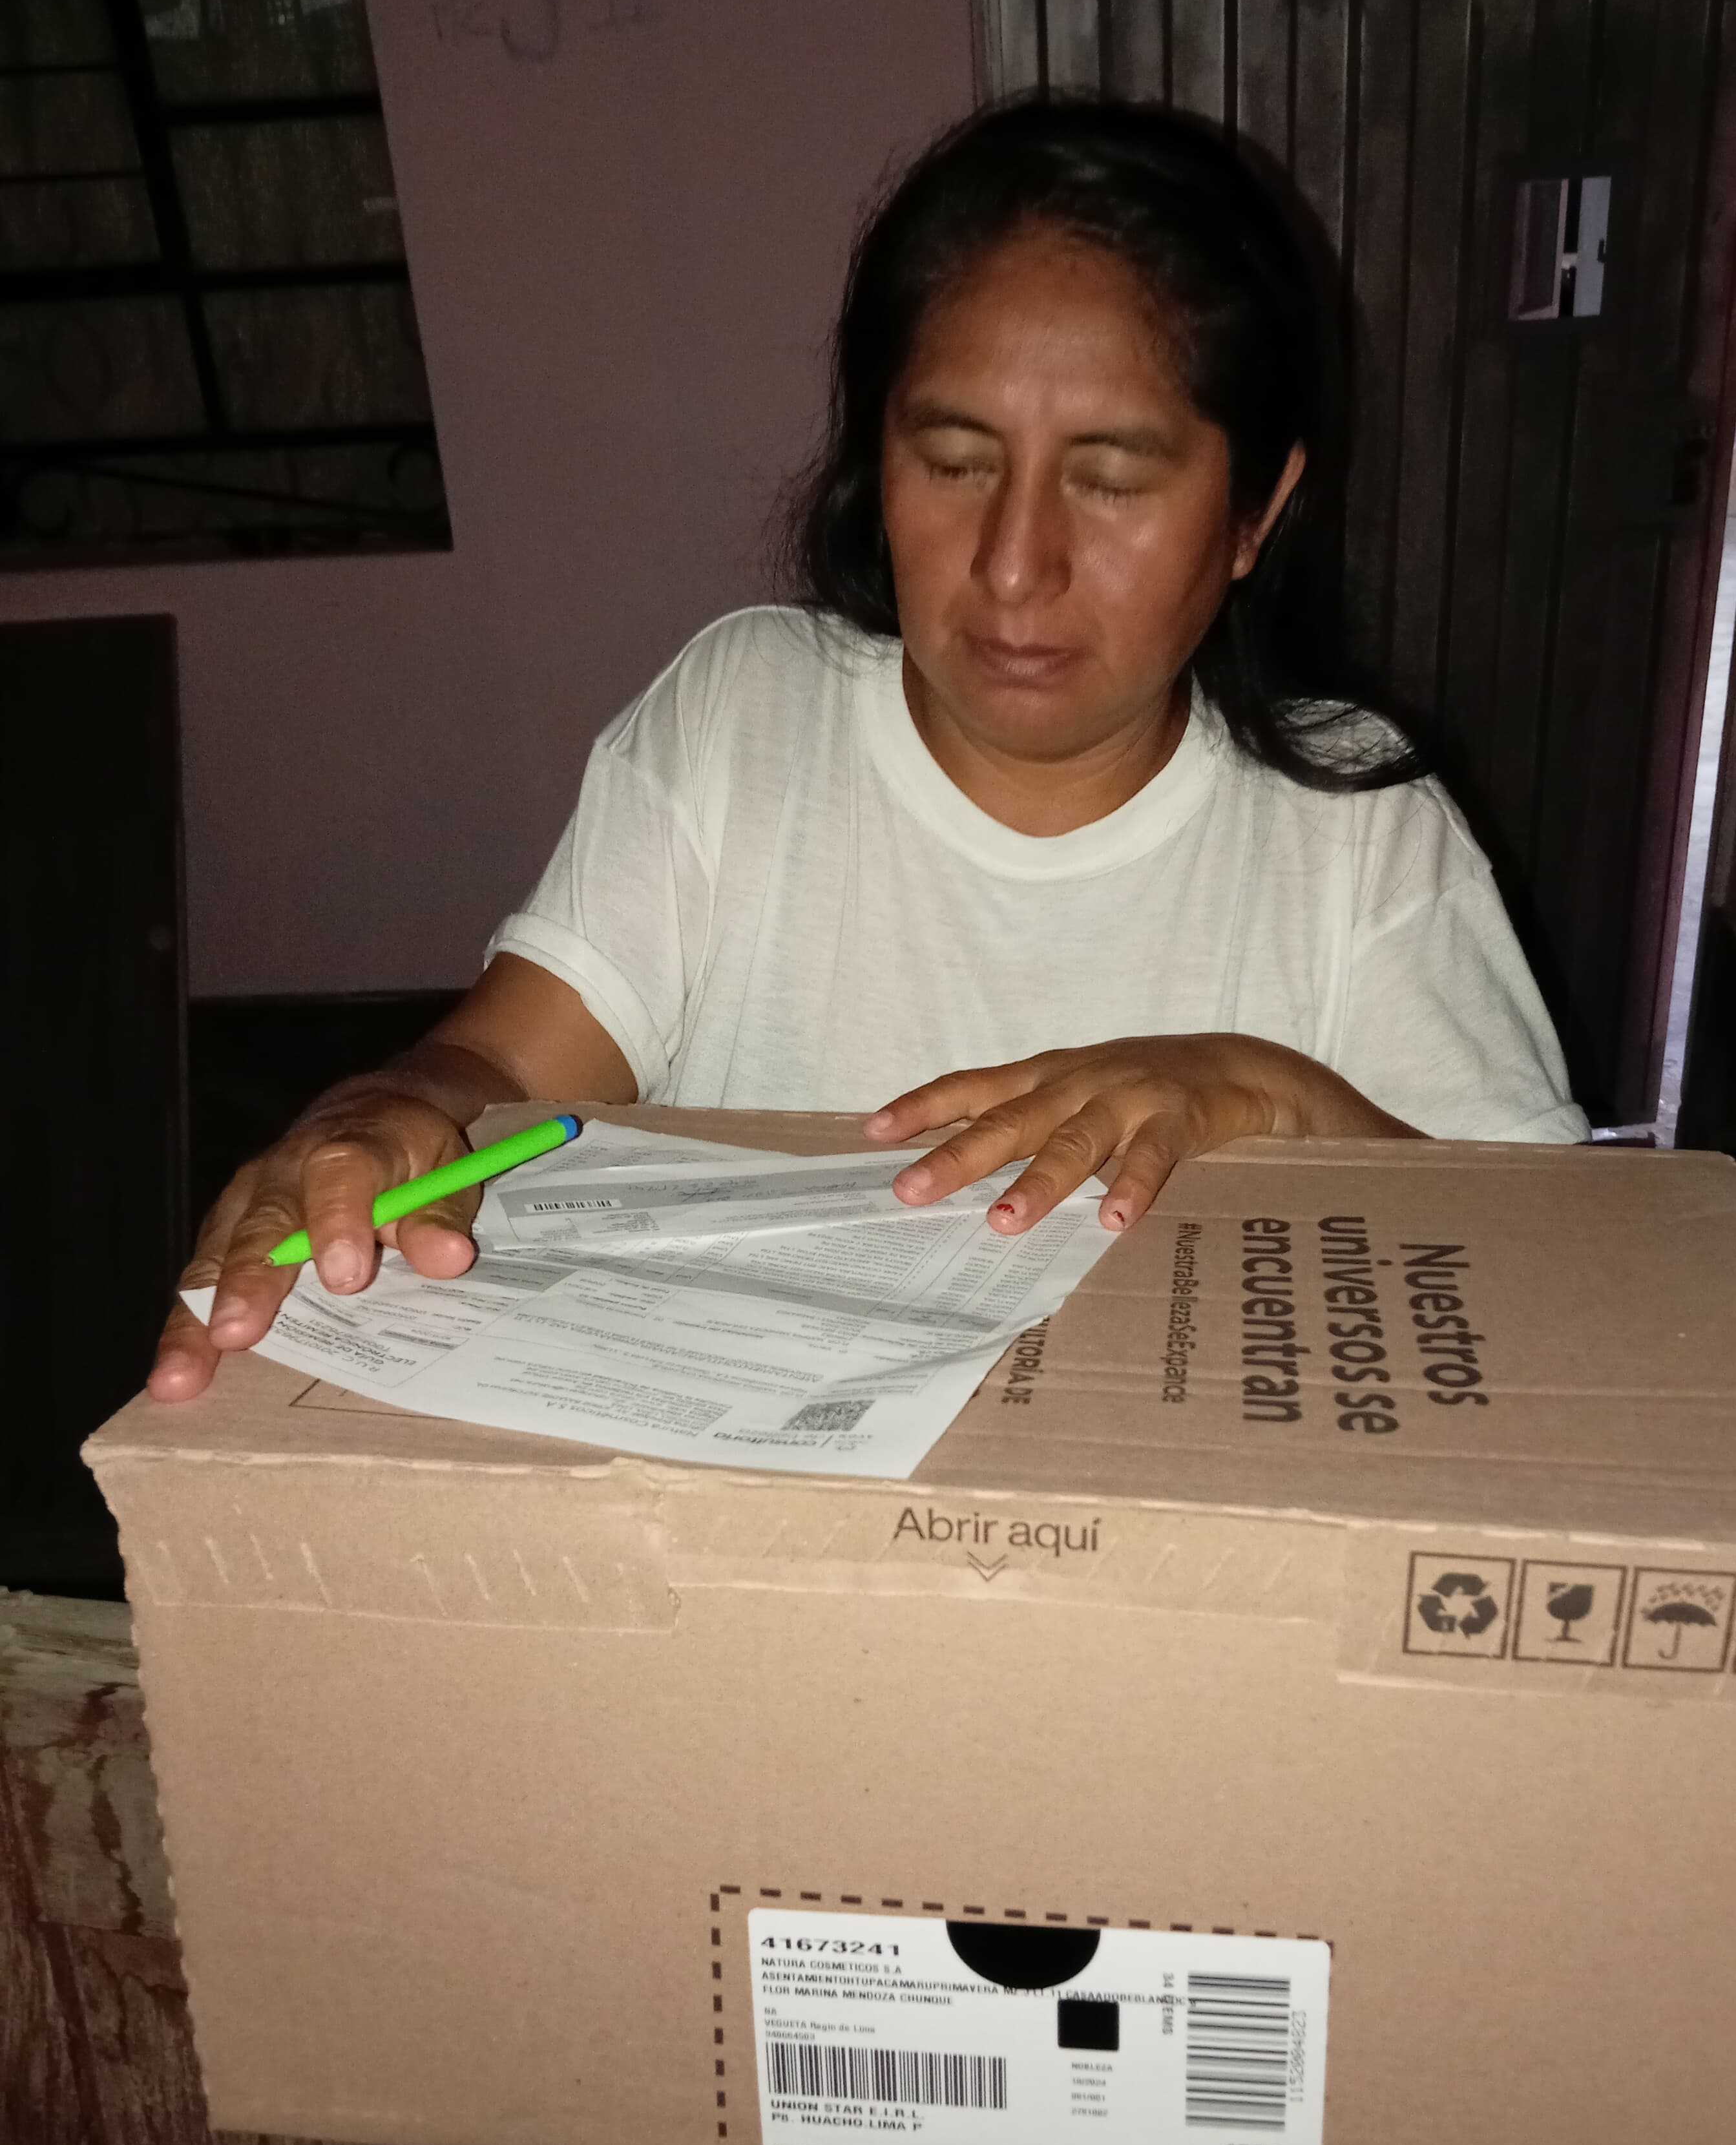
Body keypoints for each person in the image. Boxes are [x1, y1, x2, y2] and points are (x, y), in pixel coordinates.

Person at [149, 96, 1585, 1405]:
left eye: (1111, 481)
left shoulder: (1357, 822)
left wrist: (1275, 1095)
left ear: (1257, 511)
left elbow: (1561, 1273)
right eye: (953, 463)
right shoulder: (746, 717)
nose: (1014, 565)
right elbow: (498, 1068)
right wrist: (385, 1114)